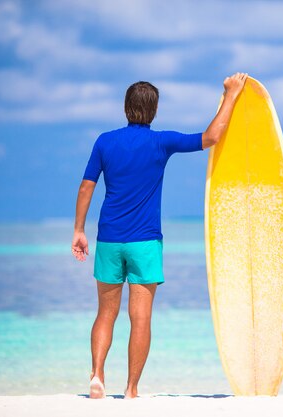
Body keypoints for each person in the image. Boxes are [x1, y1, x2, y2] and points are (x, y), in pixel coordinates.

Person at [71, 72, 248, 399]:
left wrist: (79, 229)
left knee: (105, 313)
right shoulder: (161, 141)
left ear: (126, 108)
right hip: (144, 242)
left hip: (109, 239)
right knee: (140, 318)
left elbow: (86, 187)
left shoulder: (105, 141)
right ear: (153, 112)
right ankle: (131, 389)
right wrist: (232, 94)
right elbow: (212, 137)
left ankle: (97, 375)